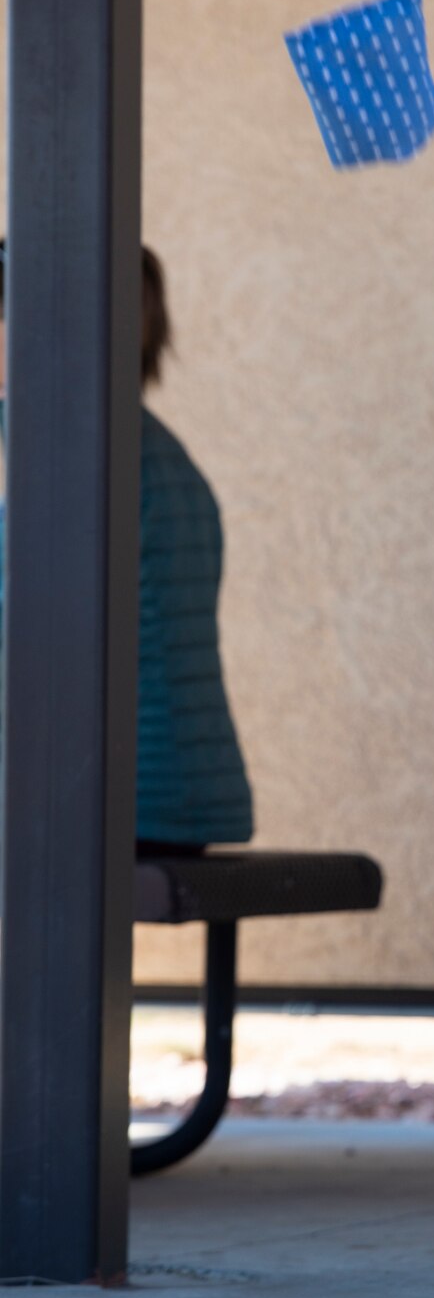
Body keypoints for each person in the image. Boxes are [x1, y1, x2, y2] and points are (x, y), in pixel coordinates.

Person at [0, 240, 254, 859]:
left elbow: (25, 631)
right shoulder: (162, 453)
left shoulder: (50, 446)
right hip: (189, 792)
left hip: (120, 800)